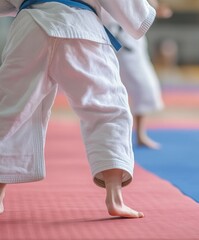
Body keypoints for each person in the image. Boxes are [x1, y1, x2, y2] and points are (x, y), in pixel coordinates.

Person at [0, 0, 156, 218]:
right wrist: (143, 15)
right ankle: (115, 198)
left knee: (10, 108)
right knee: (107, 109)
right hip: (81, 26)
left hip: (30, 24)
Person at [103, 0, 171, 149]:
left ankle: (140, 134)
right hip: (106, 32)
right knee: (105, 89)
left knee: (142, 85)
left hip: (128, 37)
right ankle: (110, 136)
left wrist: (156, 7)